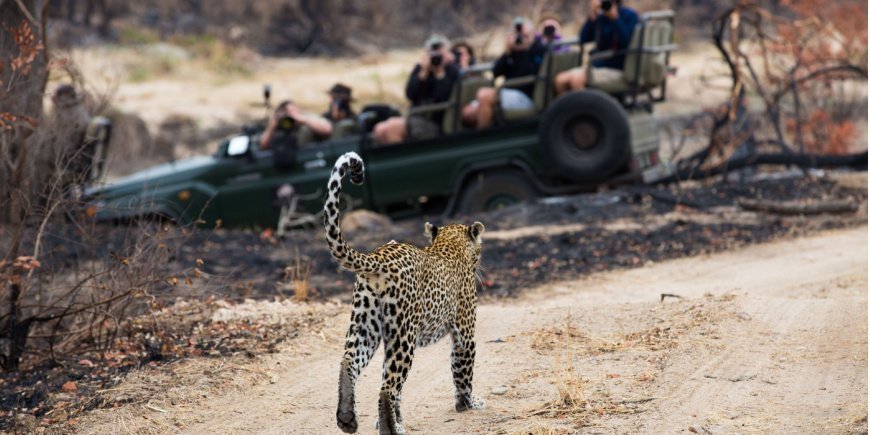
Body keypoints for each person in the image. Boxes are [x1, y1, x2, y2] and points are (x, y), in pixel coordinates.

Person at [462, 17, 546, 130]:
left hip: (526, 95)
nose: (520, 38)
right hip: (507, 93)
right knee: (468, 113)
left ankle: (483, 140)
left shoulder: (539, 48)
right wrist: (507, 52)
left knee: (484, 95)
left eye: (524, 34)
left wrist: (524, 50)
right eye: (518, 34)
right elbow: (496, 72)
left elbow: (530, 74)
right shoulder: (512, 51)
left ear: (533, 33)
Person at [373, 34, 459, 145]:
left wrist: (440, 74)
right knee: (379, 129)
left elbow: (444, 96)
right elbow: (410, 94)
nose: (436, 57)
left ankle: (403, 161)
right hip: (416, 116)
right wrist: (423, 73)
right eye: (433, 52)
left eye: (440, 52)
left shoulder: (452, 70)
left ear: (447, 53)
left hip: (436, 119)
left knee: (393, 127)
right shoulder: (421, 69)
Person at [554, 0, 639, 95]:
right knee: (560, 80)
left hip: (617, 67)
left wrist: (615, 19)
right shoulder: (601, 18)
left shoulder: (629, 16)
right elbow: (583, 39)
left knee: (576, 79)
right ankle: (568, 109)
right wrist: (592, 17)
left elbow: (627, 43)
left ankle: (586, 109)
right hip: (598, 65)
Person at [260, 100, 333, 149]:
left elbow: (327, 129)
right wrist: (272, 126)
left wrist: (301, 118)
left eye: (292, 112)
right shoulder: (278, 127)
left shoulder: (307, 119)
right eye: (286, 113)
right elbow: (263, 146)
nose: (290, 117)